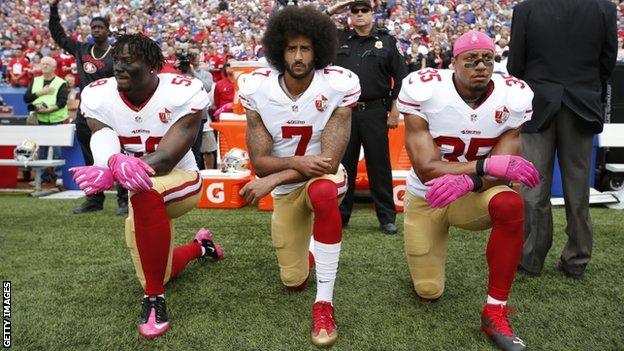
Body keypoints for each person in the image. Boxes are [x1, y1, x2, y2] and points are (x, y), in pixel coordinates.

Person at [68, 34, 224, 339]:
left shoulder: (182, 91)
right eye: (117, 60)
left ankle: (154, 300)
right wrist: (106, 162)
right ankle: (200, 247)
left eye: (129, 61)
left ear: (153, 66)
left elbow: (165, 160)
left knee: (145, 191)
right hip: (139, 186)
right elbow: (102, 133)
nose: (118, 67)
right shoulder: (100, 95)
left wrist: (115, 170)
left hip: (181, 181)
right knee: (159, 270)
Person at [397, 31, 539, 351]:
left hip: (473, 196)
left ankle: (495, 310)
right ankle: (425, 263)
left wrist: (473, 181)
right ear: (453, 63)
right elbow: (426, 167)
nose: (480, 66)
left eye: (487, 59)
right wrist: (479, 168)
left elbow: (503, 172)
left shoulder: (512, 96)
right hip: (427, 197)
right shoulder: (426, 90)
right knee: (428, 291)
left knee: (510, 203)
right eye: (471, 59)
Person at [238, 6, 360, 347]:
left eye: (305, 48)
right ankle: (311, 252)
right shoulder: (257, 88)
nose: (298, 55)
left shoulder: (338, 85)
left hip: (322, 178)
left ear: (318, 50)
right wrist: (284, 172)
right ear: (279, 50)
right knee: (292, 281)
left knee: (322, 192)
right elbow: (260, 161)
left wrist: (273, 179)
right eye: (291, 48)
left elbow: (329, 162)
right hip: (288, 188)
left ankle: (324, 302)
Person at [507, 0, 618, 279]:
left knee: (533, 188)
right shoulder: (603, 8)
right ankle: (577, 260)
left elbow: (515, 64)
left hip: (539, 102)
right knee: (578, 187)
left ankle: (531, 258)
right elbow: (607, 61)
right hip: (581, 101)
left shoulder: (526, 9)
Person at [325, 0, 408, 234]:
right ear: (349, 14)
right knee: (343, 165)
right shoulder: (338, 40)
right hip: (344, 112)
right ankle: (341, 215)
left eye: (364, 10)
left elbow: (401, 77)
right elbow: (315, 25)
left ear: (372, 14)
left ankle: (386, 217)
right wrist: (336, 8)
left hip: (375, 111)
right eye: (355, 10)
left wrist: (395, 109)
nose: (359, 14)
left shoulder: (387, 41)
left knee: (379, 165)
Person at [48, 0, 129, 215]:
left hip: (112, 111)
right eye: (93, 27)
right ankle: (94, 199)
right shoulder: (82, 49)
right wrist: (53, 9)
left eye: (100, 27)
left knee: (117, 153)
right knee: (89, 154)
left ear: (108, 30)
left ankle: (123, 200)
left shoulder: (117, 52)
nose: (96, 31)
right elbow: (59, 36)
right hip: (86, 112)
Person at [23, 56, 69, 185]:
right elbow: (26, 98)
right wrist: (41, 93)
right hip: (39, 120)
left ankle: (59, 177)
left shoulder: (61, 82)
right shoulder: (35, 80)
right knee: (40, 150)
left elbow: (62, 102)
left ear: (54, 67)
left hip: (56, 120)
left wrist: (47, 110)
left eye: (47, 64)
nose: (44, 66)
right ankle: (42, 178)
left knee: (58, 150)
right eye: (42, 64)